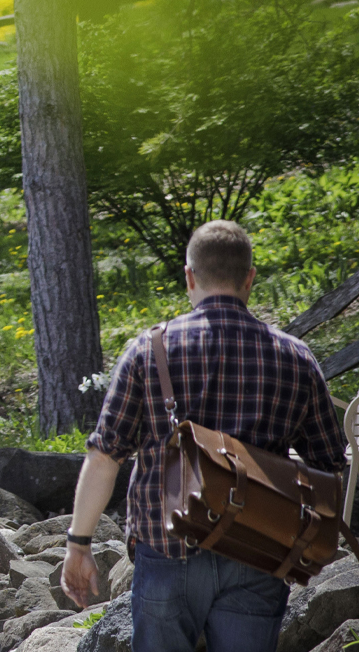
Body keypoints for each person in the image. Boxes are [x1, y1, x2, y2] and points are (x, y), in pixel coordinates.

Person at [64, 220, 346, 651]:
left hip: (167, 550)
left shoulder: (149, 350)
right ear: (250, 278)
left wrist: (79, 543)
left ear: (189, 277)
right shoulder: (296, 357)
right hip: (260, 554)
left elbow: (105, 456)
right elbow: (329, 465)